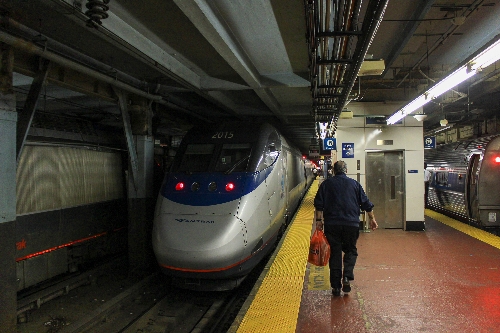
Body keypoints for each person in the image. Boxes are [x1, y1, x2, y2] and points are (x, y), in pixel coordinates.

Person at [314, 160, 378, 296]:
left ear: (333, 171)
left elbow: (319, 204)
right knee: (351, 251)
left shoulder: (326, 184)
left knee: (335, 253)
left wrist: (319, 222)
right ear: (346, 170)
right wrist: (372, 219)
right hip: (351, 224)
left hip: (332, 225)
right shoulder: (355, 184)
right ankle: (347, 276)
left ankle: (336, 287)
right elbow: (366, 204)